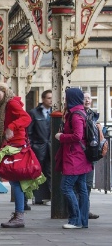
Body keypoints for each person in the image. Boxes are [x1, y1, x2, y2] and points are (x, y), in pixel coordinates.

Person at [0, 82, 31, 228]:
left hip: (15, 146)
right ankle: (20, 213)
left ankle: (19, 215)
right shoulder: (5, 104)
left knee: (15, 181)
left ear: (5, 91)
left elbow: (26, 118)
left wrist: (11, 128)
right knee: (16, 181)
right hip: (12, 144)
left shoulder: (11, 104)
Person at [55, 87, 92, 229]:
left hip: (74, 156)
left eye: (66, 97)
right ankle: (83, 221)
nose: (65, 100)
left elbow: (77, 136)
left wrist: (61, 137)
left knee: (66, 187)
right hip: (81, 156)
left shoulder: (75, 115)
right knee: (82, 188)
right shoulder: (80, 112)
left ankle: (75, 220)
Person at [83, 91, 106, 219]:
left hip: (91, 153)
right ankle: (79, 210)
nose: (87, 100)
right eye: (84, 98)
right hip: (83, 153)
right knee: (80, 184)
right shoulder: (79, 114)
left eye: (89, 98)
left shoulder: (92, 115)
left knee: (88, 183)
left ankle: (85, 209)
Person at [27, 90, 52, 207]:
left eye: (52, 98)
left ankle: (49, 197)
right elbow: (29, 131)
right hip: (38, 147)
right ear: (43, 99)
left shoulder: (55, 112)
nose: (51, 100)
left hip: (51, 147)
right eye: (48, 98)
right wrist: (32, 146)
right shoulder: (34, 113)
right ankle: (37, 197)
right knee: (38, 172)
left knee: (50, 172)